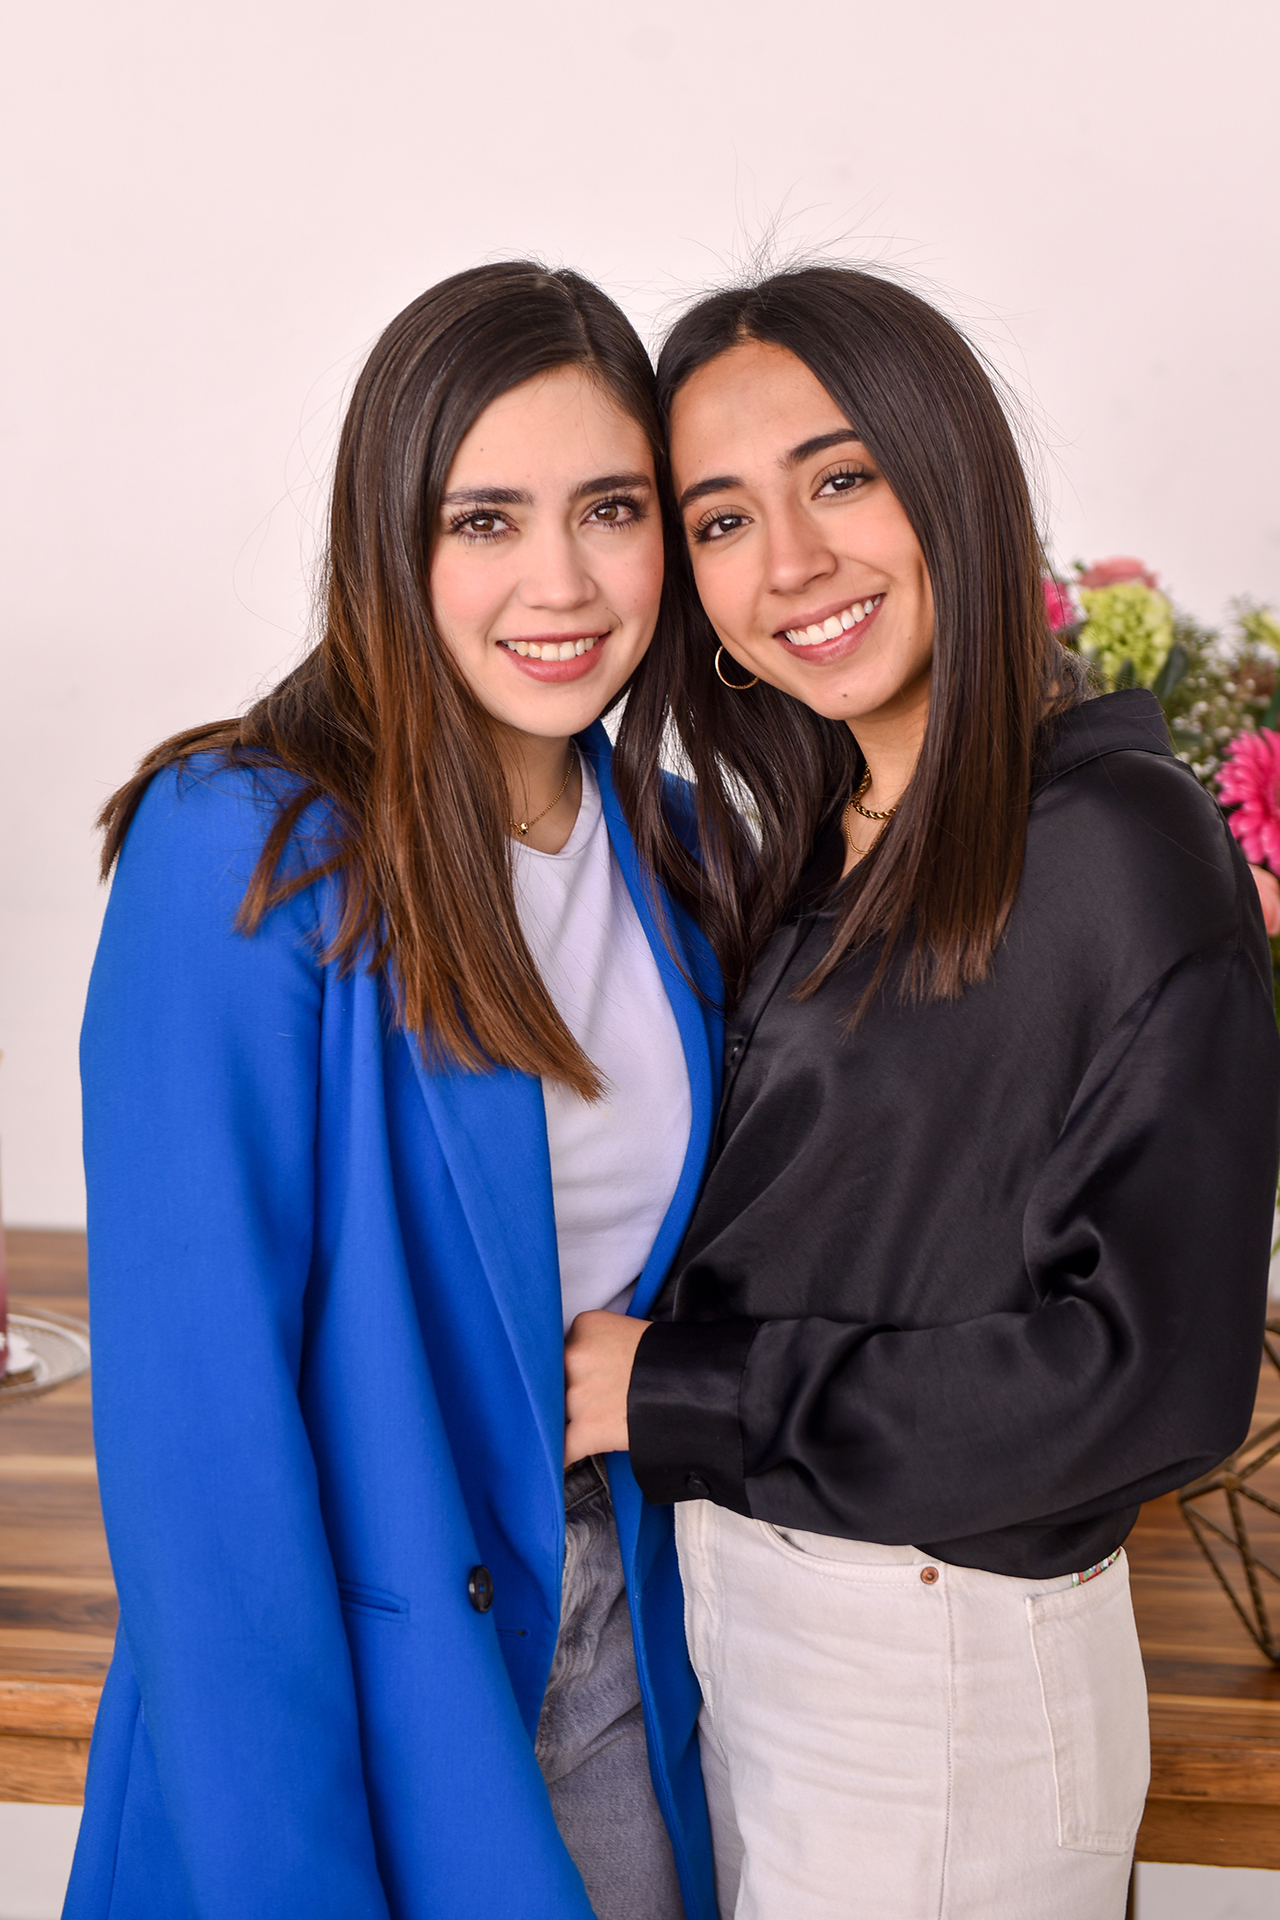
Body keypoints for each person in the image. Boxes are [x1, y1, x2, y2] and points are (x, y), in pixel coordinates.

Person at [563, 265, 1280, 1919]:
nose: (791, 562)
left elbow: (1156, 1380)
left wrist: (680, 1390)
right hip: (769, 1642)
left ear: (949, 470)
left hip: (937, 1691)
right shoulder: (823, 839)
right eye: (722, 519)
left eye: (840, 478)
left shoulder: (1115, 849)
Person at [66, 262, 722, 1920]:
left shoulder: (685, 854)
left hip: (636, 1658)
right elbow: (203, 1458)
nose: (560, 582)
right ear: (388, 539)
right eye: (484, 519)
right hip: (355, 1693)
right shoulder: (244, 852)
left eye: (611, 509)